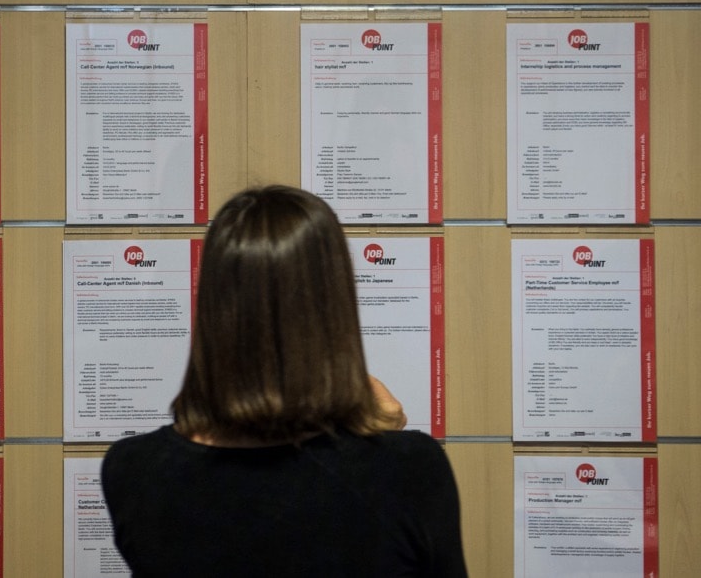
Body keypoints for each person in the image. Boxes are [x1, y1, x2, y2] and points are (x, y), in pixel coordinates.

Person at [101, 185, 468, 577]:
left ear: (214, 306)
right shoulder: (410, 469)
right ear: (335, 305)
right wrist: (384, 446)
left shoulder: (136, 471)